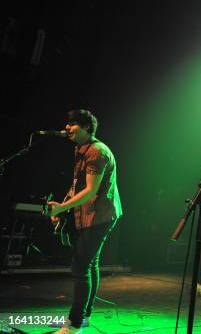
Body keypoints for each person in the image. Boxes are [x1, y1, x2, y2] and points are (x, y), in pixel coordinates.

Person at [47, 109, 122, 334]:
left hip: (100, 216)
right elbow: (77, 186)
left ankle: (75, 324)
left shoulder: (97, 152)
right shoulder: (80, 150)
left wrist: (62, 207)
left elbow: (90, 191)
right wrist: (62, 207)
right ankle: (85, 316)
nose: (67, 127)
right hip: (90, 215)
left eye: (73, 124)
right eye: (67, 123)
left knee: (80, 267)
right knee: (90, 264)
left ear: (87, 127)